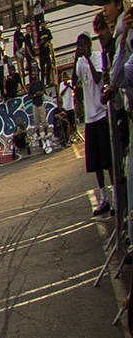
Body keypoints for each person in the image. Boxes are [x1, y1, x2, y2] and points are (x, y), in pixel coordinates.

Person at [74, 32, 113, 215]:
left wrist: (88, 58)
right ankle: (104, 197)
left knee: (107, 159)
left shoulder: (96, 57)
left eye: (85, 43)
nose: (83, 46)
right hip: (90, 117)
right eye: (80, 44)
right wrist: (76, 59)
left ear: (90, 43)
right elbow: (74, 82)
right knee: (96, 162)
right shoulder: (80, 62)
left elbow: (97, 78)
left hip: (101, 113)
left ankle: (115, 196)